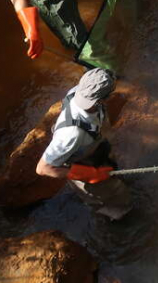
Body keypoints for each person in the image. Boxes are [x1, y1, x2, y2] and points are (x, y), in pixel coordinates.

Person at [36, 68, 132, 220]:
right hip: (83, 167)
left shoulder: (78, 91)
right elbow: (43, 168)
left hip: (94, 151)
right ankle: (117, 219)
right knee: (117, 198)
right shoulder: (72, 133)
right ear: (102, 99)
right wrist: (89, 174)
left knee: (114, 176)